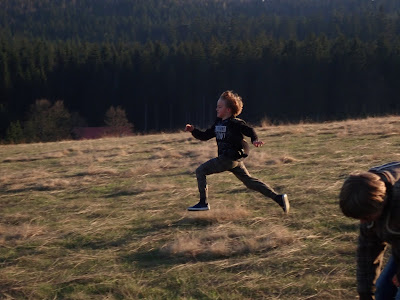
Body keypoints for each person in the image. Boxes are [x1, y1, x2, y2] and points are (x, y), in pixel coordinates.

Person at [184, 90, 289, 213]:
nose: (216, 109)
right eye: (217, 106)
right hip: (234, 160)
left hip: (228, 159)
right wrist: (193, 130)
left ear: (228, 110)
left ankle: (203, 203)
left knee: (200, 171)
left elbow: (250, 131)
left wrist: (255, 140)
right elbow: (205, 136)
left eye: (219, 107)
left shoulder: (235, 123)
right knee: (250, 182)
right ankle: (279, 198)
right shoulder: (218, 123)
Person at [339, 162, 400, 300]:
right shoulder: (367, 195)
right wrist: (365, 294)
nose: (363, 222)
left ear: (382, 203)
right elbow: (367, 252)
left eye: (366, 217)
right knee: (382, 292)